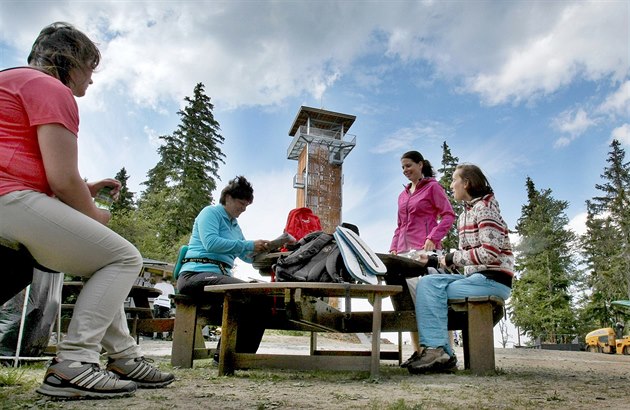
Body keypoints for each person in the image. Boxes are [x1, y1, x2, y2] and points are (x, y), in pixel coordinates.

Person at [0, 22, 174, 399]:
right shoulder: (50, 88)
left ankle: (124, 357)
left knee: (102, 261)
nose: (91, 81)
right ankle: (74, 363)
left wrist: (86, 188)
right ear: (70, 61)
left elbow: (28, 162)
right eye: (90, 69)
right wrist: (94, 216)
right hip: (8, 200)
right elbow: (62, 179)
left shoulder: (12, 81)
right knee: (124, 257)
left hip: (11, 198)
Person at [406, 163, 514, 374]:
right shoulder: (467, 214)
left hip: (493, 280)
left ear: (466, 183)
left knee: (430, 288)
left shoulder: (485, 210)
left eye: (455, 180)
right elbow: (461, 258)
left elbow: (489, 253)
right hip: (475, 279)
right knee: (427, 282)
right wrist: (432, 260)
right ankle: (440, 351)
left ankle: (439, 351)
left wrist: (448, 258)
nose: (451, 185)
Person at [176, 176, 270, 353]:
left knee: (259, 297)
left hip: (219, 277)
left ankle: (238, 355)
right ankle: (228, 355)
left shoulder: (235, 226)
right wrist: (249, 244)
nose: (243, 209)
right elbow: (211, 243)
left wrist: (267, 252)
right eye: (241, 204)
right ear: (228, 198)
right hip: (195, 275)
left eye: (246, 206)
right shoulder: (211, 213)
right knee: (247, 292)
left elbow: (247, 256)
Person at [387, 150, 456, 367]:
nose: (405, 170)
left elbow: (448, 215)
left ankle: (446, 352)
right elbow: (400, 226)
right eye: (402, 167)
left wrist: (432, 237)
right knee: (408, 303)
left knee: (431, 302)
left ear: (420, 164)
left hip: (425, 253)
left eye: (409, 165)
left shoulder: (432, 187)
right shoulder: (403, 194)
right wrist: (393, 249)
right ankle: (419, 351)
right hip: (404, 254)